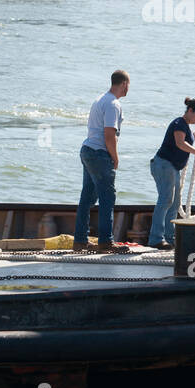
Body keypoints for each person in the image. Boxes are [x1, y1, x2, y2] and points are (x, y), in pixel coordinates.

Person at [75, 70, 130, 253]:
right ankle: (106, 241)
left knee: (87, 198)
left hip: (87, 150)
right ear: (124, 84)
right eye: (128, 85)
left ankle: (80, 240)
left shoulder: (100, 99)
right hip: (99, 154)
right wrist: (115, 157)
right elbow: (109, 134)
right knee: (107, 198)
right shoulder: (113, 104)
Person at [148, 97, 195, 250]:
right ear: (190, 111)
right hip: (164, 165)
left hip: (172, 168)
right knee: (165, 200)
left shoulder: (185, 126)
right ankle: (156, 239)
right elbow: (180, 143)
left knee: (174, 203)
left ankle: (169, 238)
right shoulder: (179, 124)